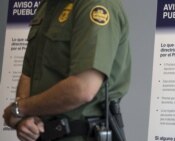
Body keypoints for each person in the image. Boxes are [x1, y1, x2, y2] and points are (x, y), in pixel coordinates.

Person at [3, 0, 131, 140]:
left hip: (80, 135)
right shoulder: (48, 5)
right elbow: (28, 74)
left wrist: (20, 109)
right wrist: (24, 118)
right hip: (42, 135)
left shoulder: (95, 4)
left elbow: (83, 88)